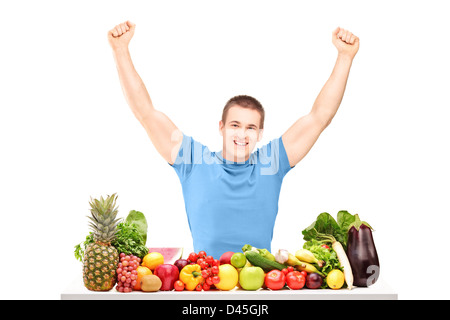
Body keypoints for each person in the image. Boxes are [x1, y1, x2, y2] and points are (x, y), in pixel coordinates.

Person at [108, 21, 359, 259]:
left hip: (261, 285)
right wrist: (120, 50)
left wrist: (344, 57)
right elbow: (146, 113)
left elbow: (319, 117)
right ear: (221, 127)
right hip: (203, 283)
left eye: (251, 127)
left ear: (260, 133)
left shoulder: (271, 162)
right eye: (235, 125)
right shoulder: (194, 161)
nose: (242, 134)